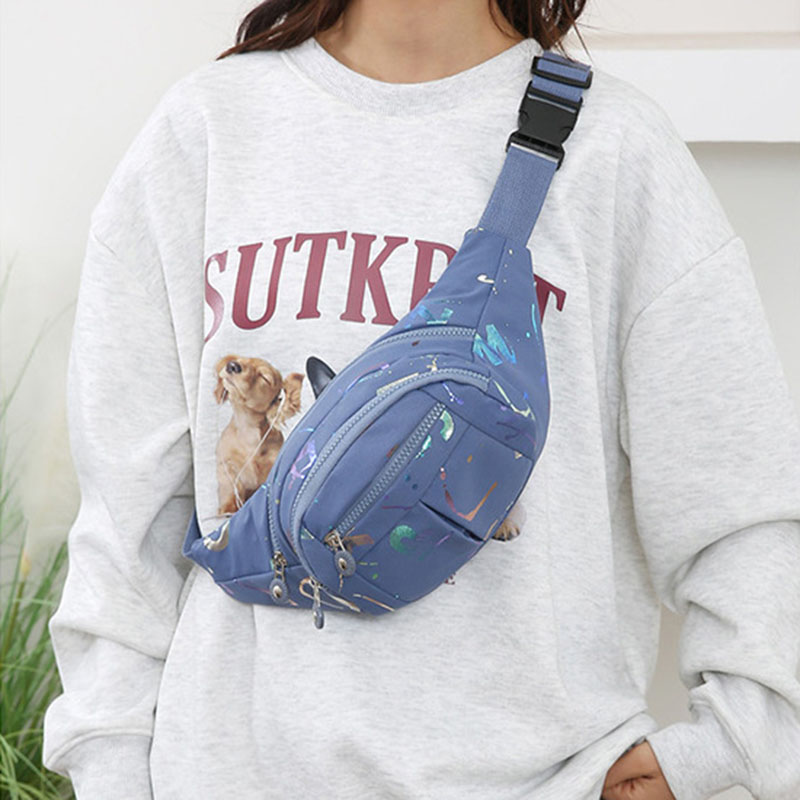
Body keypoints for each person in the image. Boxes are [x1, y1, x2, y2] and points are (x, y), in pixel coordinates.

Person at [42, 0, 800, 798]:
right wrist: (109, 771)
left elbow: (743, 508)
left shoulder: (619, 151)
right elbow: (125, 534)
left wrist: (733, 745)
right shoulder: (205, 132)